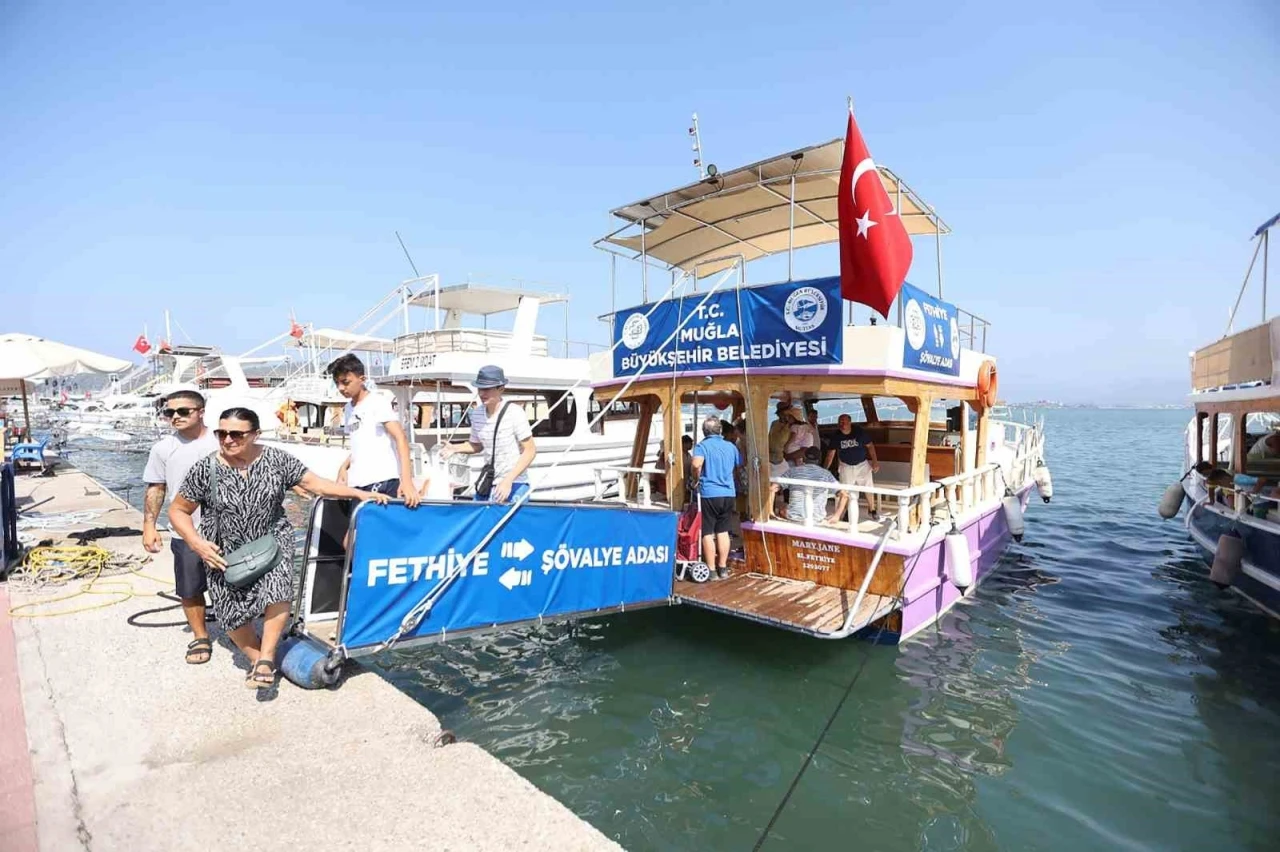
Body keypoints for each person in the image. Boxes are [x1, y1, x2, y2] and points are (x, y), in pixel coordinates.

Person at [169, 407, 389, 688]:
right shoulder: (205, 468)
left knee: (278, 592)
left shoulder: (276, 459)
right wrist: (196, 543)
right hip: (223, 550)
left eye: (236, 434)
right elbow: (178, 510)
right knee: (231, 614)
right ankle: (256, 657)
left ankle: (266, 659)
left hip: (273, 540)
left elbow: (316, 484)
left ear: (255, 434)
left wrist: (359, 493)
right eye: (221, 433)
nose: (227, 440)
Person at [142, 390, 219, 665]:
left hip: (228, 529)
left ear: (201, 412)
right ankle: (200, 635)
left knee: (238, 583)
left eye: (183, 411)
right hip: (185, 531)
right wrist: (149, 526)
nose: (175, 416)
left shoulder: (223, 441)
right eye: (169, 412)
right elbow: (156, 487)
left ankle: (238, 628)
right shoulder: (162, 449)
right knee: (190, 588)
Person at [327, 354, 419, 507]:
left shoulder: (377, 403)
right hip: (358, 484)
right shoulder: (348, 408)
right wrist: (344, 466)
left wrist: (407, 482)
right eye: (337, 383)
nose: (341, 388)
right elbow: (362, 443)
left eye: (345, 382)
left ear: (362, 379)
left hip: (381, 481)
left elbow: (400, 437)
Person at [441, 365, 537, 503]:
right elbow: (477, 445)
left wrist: (508, 480)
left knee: (504, 516)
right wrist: (455, 448)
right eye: (479, 389)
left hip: (515, 482)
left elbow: (530, 451)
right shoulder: (477, 414)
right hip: (488, 481)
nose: (482, 393)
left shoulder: (515, 413)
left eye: (486, 389)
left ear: (501, 389)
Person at [690, 416, 741, 579]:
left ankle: (711, 570)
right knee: (723, 530)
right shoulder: (731, 446)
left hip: (710, 493)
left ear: (704, 431)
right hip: (728, 493)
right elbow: (739, 464)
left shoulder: (702, 446)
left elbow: (696, 464)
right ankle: (723, 568)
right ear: (720, 430)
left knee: (707, 532)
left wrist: (696, 479)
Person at [824, 413, 881, 525]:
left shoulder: (859, 432)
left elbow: (870, 446)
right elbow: (831, 454)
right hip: (846, 466)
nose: (842, 424)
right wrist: (824, 470)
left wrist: (875, 461)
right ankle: (846, 512)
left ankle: (872, 509)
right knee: (845, 490)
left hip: (862, 465)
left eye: (844, 422)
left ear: (850, 422)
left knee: (868, 487)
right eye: (840, 422)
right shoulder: (836, 436)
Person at [769, 446, 839, 524]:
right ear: (819, 460)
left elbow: (773, 488)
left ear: (804, 458)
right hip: (817, 518)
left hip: (794, 517)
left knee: (782, 510)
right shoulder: (826, 474)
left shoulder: (793, 471)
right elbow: (844, 494)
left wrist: (771, 512)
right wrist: (837, 516)